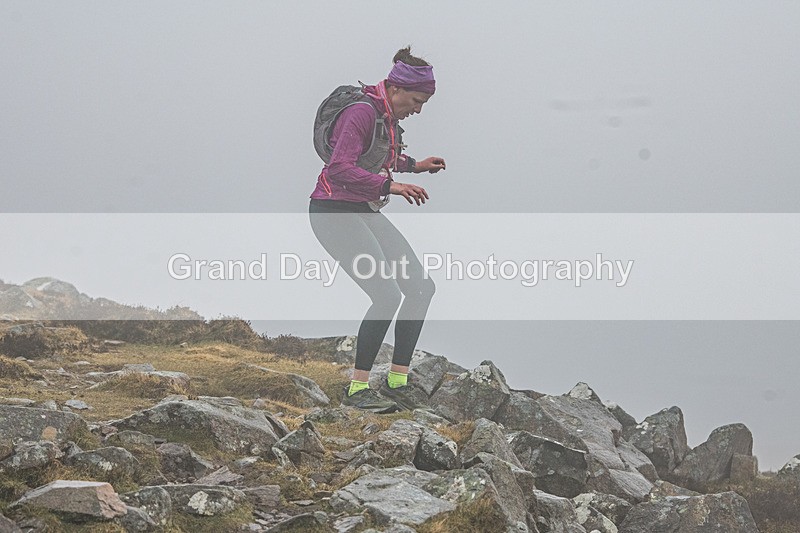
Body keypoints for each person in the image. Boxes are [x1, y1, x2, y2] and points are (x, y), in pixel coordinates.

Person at [308, 46, 446, 413]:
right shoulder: (360, 112)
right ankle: (357, 390)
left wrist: (414, 166)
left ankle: (398, 380)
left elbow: (379, 155)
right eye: (417, 101)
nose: (418, 109)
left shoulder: (384, 116)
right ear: (398, 89)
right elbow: (339, 168)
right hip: (332, 212)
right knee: (386, 296)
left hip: (362, 209)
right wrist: (393, 187)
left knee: (420, 288)